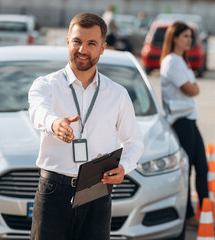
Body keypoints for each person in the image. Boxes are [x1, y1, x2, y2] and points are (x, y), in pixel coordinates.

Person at [28, 12, 144, 240]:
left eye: (91, 43)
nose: (82, 50)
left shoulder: (118, 94)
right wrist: (54, 123)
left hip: (96, 191)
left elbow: (133, 141)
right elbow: (38, 111)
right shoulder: (45, 85)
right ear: (67, 42)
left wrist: (125, 167)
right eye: (77, 41)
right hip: (53, 190)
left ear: (103, 48)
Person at [160, 21, 215, 235]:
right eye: (186, 36)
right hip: (181, 121)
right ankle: (192, 216)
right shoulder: (172, 61)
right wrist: (194, 87)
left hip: (189, 118)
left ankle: (198, 214)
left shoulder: (182, 61)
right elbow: (190, 89)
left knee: (201, 166)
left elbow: (193, 87)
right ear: (175, 38)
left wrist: (194, 87)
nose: (190, 40)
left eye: (191, 36)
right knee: (190, 169)